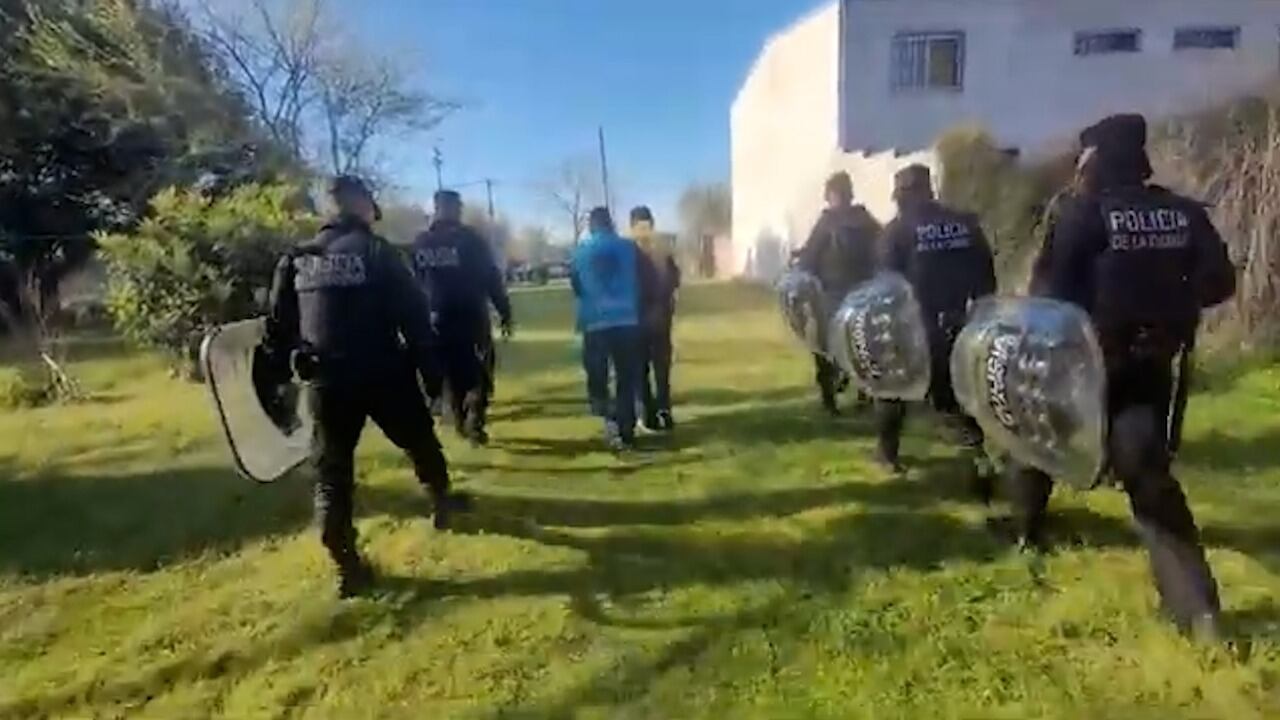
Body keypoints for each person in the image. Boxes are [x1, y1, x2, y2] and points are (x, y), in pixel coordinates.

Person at [1011, 114, 1236, 637]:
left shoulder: (1084, 214)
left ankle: (1025, 529)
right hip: (1151, 365)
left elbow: (1049, 297)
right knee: (1149, 479)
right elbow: (1219, 281)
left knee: (1035, 435)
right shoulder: (1182, 212)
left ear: (1096, 160)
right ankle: (1198, 610)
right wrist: (1172, 309)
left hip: (1086, 363)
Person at [261, 175, 470, 598]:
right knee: (419, 441)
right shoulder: (379, 253)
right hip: (382, 373)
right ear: (360, 205)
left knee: (331, 475)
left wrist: (275, 389)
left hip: (325, 381)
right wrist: (433, 381)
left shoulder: (297, 259)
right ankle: (442, 502)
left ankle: (345, 565)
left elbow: (277, 332)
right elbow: (416, 322)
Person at [878, 165, 997, 496]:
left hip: (919, 327)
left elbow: (887, 288)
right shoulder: (967, 223)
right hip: (966, 326)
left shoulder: (897, 231)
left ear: (906, 194)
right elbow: (988, 280)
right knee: (965, 404)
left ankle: (887, 454)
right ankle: (981, 470)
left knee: (892, 388)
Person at [412, 190, 514, 446]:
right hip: (471, 317)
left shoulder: (421, 243)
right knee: (478, 373)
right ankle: (474, 423)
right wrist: (504, 311)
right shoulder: (470, 240)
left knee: (451, 375)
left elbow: (413, 283)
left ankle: (459, 421)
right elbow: (491, 277)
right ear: (454, 208)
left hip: (436, 320)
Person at [791, 171, 881, 416]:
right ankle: (851, 395)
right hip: (857, 293)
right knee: (860, 346)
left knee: (831, 348)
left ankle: (835, 398)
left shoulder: (831, 222)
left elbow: (810, 259)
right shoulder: (865, 219)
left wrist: (801, 269)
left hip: (839, 295)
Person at [571, 207, 656, 451]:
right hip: (626, 320)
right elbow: (644, 280)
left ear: (591, 226)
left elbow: (576, 286)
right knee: (625, 378)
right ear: (611, 223)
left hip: (595, 322)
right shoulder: (630, 249)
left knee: (598, 379)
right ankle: (627, 430)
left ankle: (610, 422)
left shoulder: (580, 252)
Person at [628, 206, 680, 431]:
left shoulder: (629, 252)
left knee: (640, 369)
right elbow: (674, 279)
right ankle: (664, 411)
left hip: (638, 319)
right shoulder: (663, 251)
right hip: (660, 317)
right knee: (661, 369)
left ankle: (647, 414)